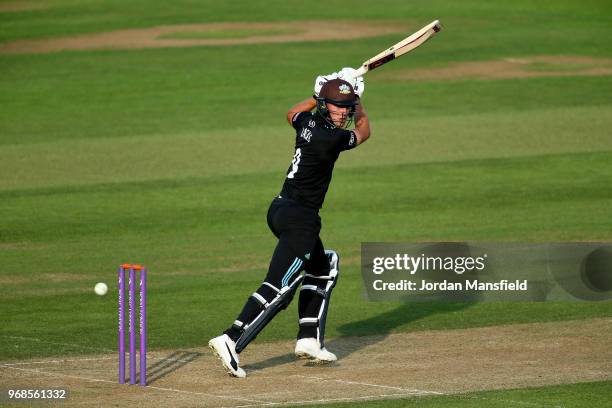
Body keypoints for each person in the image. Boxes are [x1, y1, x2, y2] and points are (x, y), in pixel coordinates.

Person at [208, 68, 371, 378]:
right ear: (327, 106)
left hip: (281, 209)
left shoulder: (307, 122)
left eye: (348, 108)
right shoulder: (331, 138)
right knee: (280, 286)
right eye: (339, 107)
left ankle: (309, 339)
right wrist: (360, 101)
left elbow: (291, 113)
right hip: (301, 220)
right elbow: (364, 131)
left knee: (324, 266)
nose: (344, 114)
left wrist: (318, 94)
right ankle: (231, 338)